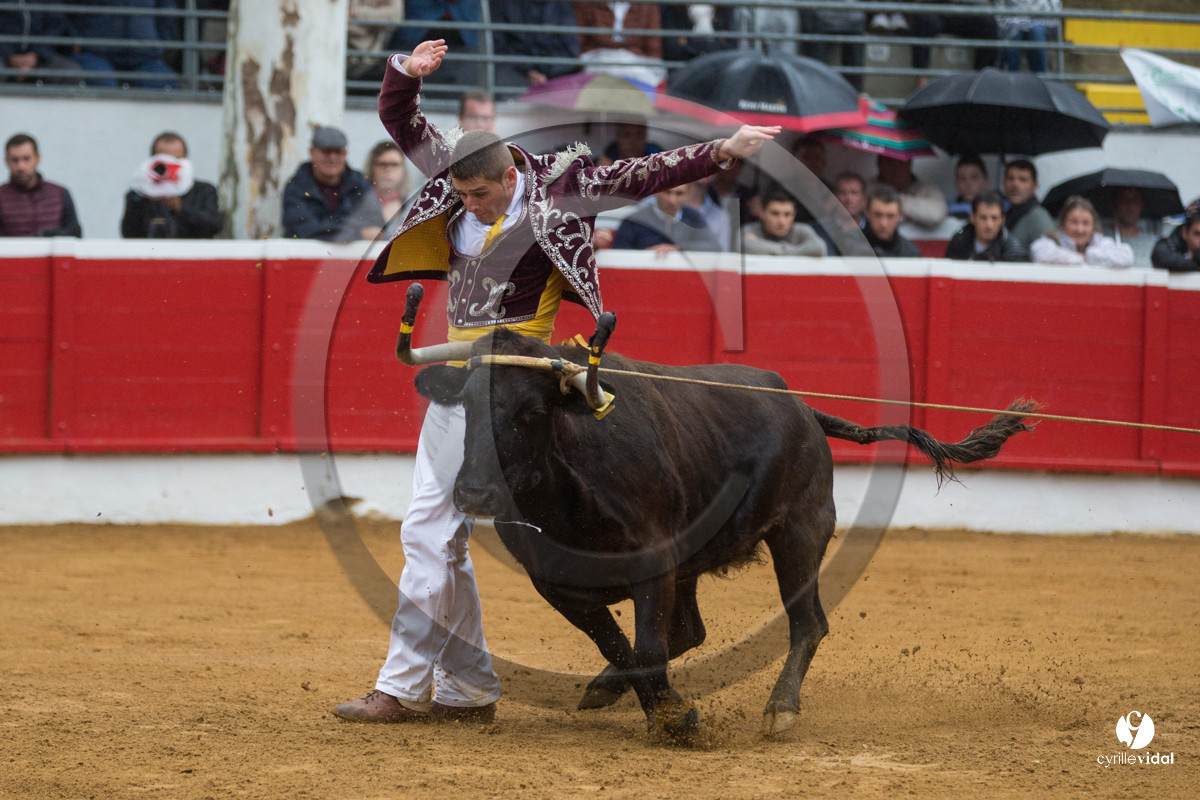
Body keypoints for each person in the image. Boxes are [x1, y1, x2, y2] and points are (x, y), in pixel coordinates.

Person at [332, 38, 778, 724]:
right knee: (435, 536)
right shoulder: (463, 178)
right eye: (462, 196)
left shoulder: (559, 191)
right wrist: (404, 74)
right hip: (465, 380)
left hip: (522, 395)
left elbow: (642, 173)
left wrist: (720, 151)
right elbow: (401, 121)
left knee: (431, 534)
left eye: (480, 196)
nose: (471, 207)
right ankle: (466, 687)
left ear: (509, 177)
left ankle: (410, 687)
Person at [281, 126, 384, 242]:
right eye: (326, 151)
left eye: (338, 152)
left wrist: (325, 227)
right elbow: (302, 230)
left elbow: (375, 224)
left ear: (345, 154)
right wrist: (357, 233)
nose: (332, 158)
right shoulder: (296, 187)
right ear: (311, 153)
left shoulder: (360, 184)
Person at [121, 132, 222, 239]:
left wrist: (180, 208)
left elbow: (214, 226)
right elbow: (129, 233)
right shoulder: (138, 195)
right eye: (164, 161)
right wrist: (144, 196)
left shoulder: (203, 191)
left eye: (176, 160)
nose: (170, 167)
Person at [67, 0, 180, 89]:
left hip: (144, 58)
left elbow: (166, 15)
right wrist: (75, 40)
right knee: (101, 85)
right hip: (96, 54)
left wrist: (157, 44)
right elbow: (65, 10)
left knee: (165, 86)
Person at [0, 133, 82, 237]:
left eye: (26, 159)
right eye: (15, 160)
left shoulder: (60, 194)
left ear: (37, 158)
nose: (21, 166)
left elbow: (75, 233)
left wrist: (47, 235)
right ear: (7, 161)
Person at [612, 184, 724, 255]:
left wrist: (678, 248)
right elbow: (617, 255)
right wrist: (644, 257)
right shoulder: (633, 221)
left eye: (679, 193)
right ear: (656, 190)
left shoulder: (693, 217)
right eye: (667, 192)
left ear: (688, 193)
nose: (672, 200)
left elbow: (714, 247)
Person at [572, 1, 664, 86]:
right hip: (598, 58)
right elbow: (578, 43)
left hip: (635, 61)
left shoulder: (646, 6)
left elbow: (653, 48)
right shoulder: (585, 4)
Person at [491, 1, 579, 88]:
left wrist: (545, 72)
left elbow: (571, 51)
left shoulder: (561, 5)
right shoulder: (503, 4)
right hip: (516, 73)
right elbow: (498, 47)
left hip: (555, 75)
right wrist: (528, 71)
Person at [1029, 195, 1133, 268]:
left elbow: (1126, 257)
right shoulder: (1051, 240)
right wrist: (1079, 258)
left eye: (1086, 223)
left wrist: (1088, 256)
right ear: (1062, 223)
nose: (1080, 229)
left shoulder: (1099, 241)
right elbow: (1041, 254)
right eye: (1073, 222)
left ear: (1093, 225)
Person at [0, 3, 78, 82]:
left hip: (39, 56)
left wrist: (36, 55)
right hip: (3, 56)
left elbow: (55, 25)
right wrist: (8, 55)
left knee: (72, 73)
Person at [944, 190, 1029, 262]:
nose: (989, 224)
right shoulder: (959, 241)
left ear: (1003, 219)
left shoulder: (1013, 253)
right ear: (972, 217)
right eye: (983, 217)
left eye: (994, 218)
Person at [799, 1, 865, 91]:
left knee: (854, 78)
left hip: (853, 14)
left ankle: (854, 98)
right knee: (817, 72)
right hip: (819, 15)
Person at [741, 190, 827, 257]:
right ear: (762, 213)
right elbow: (744, 246)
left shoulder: (802, 230)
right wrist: (799, 250)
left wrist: (761, 244)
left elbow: (819, 248)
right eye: (775, 214)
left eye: (787, 214)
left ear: (794, 215)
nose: (781, 221)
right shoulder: (749, 230)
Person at [873, 154, 947, 229]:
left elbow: (935, 215)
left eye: (901, 162)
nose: (896, 167)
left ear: (909, 164)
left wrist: (897, 200)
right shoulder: (868, 188)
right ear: (879, 164)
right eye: (890, 162)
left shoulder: (928, 190)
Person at [997, 0, 1060, 74]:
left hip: (1040, 20)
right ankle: (1009, 80)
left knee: (1036, 34)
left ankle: (1040, 79)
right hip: (1011, 21)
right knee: (1013, 36)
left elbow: (1054, 10)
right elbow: (999, 8)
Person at [1003, 159, 1054, 250]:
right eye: (1010, 178)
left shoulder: (1038, 217)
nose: (1015, 184)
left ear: (1035, 186)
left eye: (1023, 180)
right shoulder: (1006, 212)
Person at [1104, 186, 1157, 268]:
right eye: (1123, 200)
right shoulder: (1100, 239)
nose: (1129, 206)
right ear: (1114, 204)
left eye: (1134, 201)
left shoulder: (1155, 243)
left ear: (1141, 205)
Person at [364, 139, 408, 236]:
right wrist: (359, 234)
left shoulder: (412, 205)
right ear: (372, 167)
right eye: (382, 164)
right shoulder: (357, 201)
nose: (388, 169)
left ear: (403, 169)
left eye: (394, 164)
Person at [863, 185, 921, 258]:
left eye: (890, 216)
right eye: (878, 215)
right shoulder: (849, 249)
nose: (884, 224)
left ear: (900, 216)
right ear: (867, 213)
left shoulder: (911, 253)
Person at [1150, 204, 1200, 272]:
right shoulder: (1170, 244)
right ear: (1184, 232)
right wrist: (1195, 264)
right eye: (1197, 234)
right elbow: (1161, 257)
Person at [597, 120, 662, 166]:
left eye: (639, 134)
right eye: (626, 135)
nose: (633, 141)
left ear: (645, 136)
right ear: (618, 136)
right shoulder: (602, 165)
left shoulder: (659, 163)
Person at [947, 155, 989, 219]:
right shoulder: (946, 211)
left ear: (986, 182)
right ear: (956, 183)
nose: (968, 184)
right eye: (962, 178)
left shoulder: (997, 210)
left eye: (974, 177)